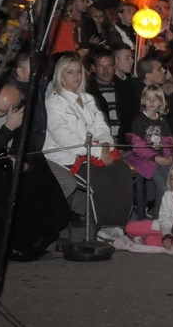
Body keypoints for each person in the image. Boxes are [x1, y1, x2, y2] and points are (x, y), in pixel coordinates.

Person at [0, 84, 71, 258]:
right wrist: (8, 128)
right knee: (4, 183)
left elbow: (29, 143)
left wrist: (23, 162)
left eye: (0, 110)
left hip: (10, 159)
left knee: (39, 172)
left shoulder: (22, 111)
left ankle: (42, 234)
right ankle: (9, 241)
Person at [43, 53, 134, 230]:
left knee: (122, 172)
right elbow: (66, 139)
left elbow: (101, 126)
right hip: (68, 157)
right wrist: (99, 152)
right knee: (100, 180)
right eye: (70, 72)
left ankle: (120, 225)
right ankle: (104, 227)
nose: (76, 76)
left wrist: (106, 145)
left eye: (79, 72)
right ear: (61, 76)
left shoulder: (88, 99)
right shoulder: (53, 102)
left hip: (96, 151)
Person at [124, 85, 173, 219]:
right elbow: (138, 145)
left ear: (161, 102)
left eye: (155, 99)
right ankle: (158, 219)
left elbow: (168, 140)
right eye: (148, 98)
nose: (152, 102)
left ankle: (169, 215)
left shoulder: (162, 120)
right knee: (163, 186)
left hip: (162, 157)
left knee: (172, 183)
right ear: (143, 101)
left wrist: (169, 156)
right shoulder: (139, 120)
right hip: (145, 159)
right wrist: (155, 158)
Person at [86, 47, 138, 143]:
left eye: (109, 66)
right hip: (100, 145)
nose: (105, 70)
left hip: (124, 145)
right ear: (93, 68)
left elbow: (133, 120)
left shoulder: (127, 90)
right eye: (101, 66)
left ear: (114, 67)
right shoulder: (87, 92)